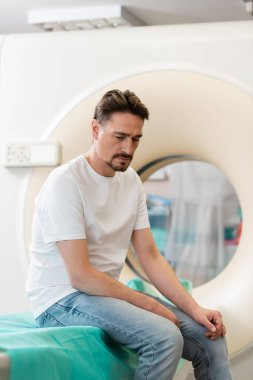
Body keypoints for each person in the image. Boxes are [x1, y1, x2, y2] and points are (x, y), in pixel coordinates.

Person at [26, 89, 233, 380]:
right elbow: (80, 275)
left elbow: (149, 256)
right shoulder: (65, 183)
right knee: (164, 337)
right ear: (96, 129)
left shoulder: (131, 180)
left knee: (209, 336)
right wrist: (148, 303)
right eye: (119, 137)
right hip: (61, 298)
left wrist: (195, 309)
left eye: (136, 139)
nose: (128, 148)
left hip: (102, 294)